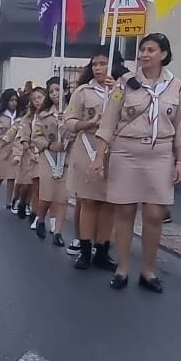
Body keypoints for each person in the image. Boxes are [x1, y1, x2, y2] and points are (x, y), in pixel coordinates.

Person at [94, 33, 181, 292]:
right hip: (126, 152)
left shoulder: (176, 86)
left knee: (155, 214)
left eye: (151, 50)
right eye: (142, 50)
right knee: (124, 210)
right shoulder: (124, 83)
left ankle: (148, 271)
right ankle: (123, 268)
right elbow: (109, 121)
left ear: (164, 55)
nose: (145, 54)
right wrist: (99, 154)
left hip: (159, 154)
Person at [63, 54, 119, 271]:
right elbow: (68, 121)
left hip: (113, 151)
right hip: (87, 147)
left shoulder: (123, 89)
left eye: (103, 63)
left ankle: (102, 251)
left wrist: (118, 91)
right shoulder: (82, 92)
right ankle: (85, 252)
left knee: (109, 203)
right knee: (88, 201)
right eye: (95, 64)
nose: (98, 68)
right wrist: (86, 124)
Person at [21, 84, 67, 245]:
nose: (55, 94)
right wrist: (48, 145)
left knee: (62, 197)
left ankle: (58, 232)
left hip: (66, 157)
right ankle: (40, 218)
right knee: (46, 193)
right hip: (47, 156)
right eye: (52, 91)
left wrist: (67, 122)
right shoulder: (43, 115)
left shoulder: (73, 111)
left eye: (58, 90)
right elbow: (36, 136)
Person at [0, 89, 22, 207]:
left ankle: (9, 201)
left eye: (15, 100)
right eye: (11, 100)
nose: (14, 103)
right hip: (0, 147)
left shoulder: (19, 117)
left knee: (12, 176)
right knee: (0, 175)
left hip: (15, 147)